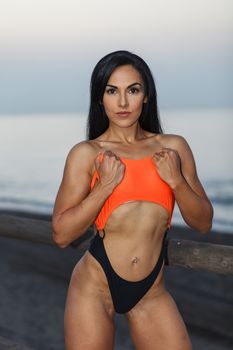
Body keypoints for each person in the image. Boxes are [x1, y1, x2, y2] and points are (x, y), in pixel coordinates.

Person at [52, 50, 213, 350]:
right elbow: (61, 234)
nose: (123, 103)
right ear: (100, 98)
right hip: (94, 288)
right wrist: (105, 187)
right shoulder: (86, 153)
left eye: (133, 90)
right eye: (112, 91)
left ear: (146, 96)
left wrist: (176, 180)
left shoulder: (173, 148)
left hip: (151, 292)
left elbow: (203, 222)